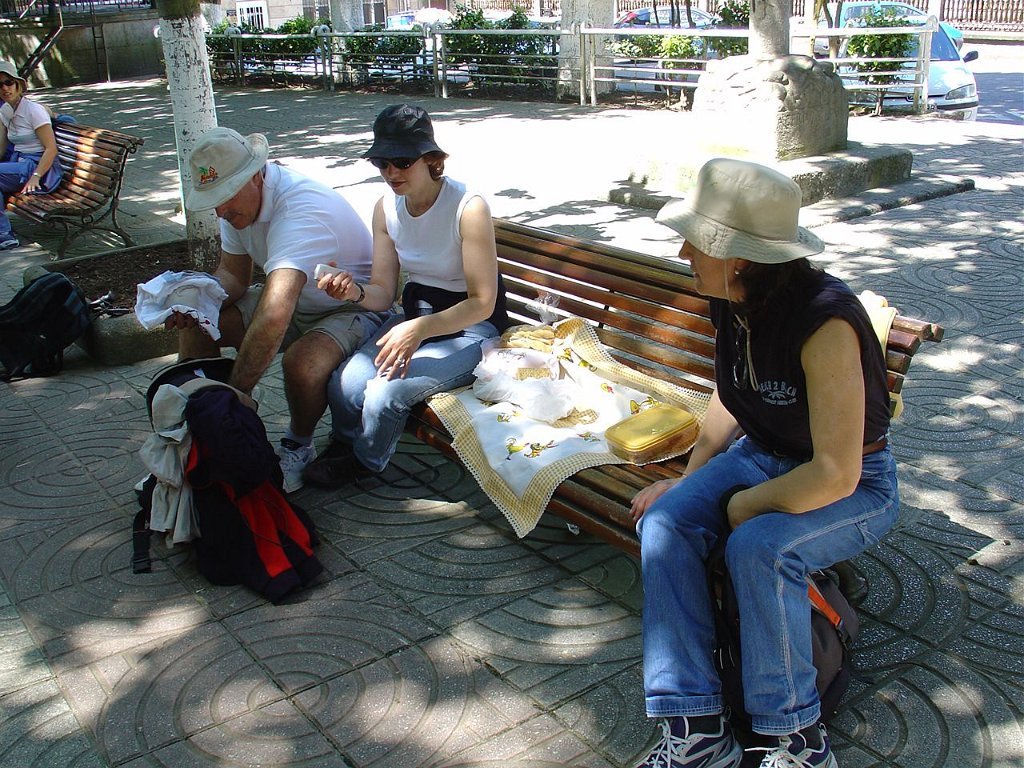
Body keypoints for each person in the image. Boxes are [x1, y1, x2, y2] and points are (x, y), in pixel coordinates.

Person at [630, 158, 898, 768]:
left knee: (759, 548)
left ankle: (797, 742)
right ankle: (697, 732)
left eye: (695, 240)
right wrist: (689, 482)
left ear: (739, 256)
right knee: (665, 524)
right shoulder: (733, 295)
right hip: (759, 455)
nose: (682, 251)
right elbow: (732, 394)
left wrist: (744, 506)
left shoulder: (826, 321)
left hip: (855, 485)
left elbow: (837, 474)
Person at [302, 104, 509, 487]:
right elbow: (382, 294)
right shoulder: (386, 208)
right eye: (382, 162)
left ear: (431, 159)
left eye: (402, 161)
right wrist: (353, 291)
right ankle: (344, 445)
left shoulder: (467, 207)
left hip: (472, 328)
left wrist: (419, 329)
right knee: (345, 384)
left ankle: (364, 461)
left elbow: (483, 301)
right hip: (415, 320)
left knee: (385, 395)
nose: (391, 173)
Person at [169, 126, 381, 493]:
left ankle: (298, 445)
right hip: (296, 300)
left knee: (302, 362)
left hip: (350, 306)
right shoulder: (239, 206)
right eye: (212, 199)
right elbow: (233, 277)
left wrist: (235, 397)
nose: (219, 210)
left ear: (255, 176)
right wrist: (194, 302)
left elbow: (274, 314)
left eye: (224, 196)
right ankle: (193, 430)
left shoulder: (300, 209)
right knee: (199, 323)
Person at [0, 61, 63, 251]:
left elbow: (51, 149)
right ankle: (4, 235)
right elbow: (1, 148)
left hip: (39, 167)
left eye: (9, 82)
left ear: (18, 85)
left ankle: (4, 234)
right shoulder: (5, 110)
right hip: (19, 164)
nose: (5, 88)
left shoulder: (33, 110)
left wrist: (36, 176)